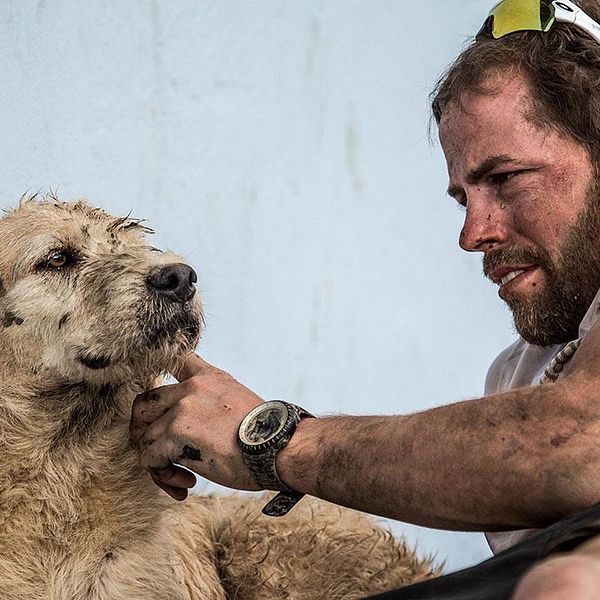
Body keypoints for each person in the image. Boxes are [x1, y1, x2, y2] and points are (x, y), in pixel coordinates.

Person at [129, 0, 600, 597]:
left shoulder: (562, 414)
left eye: (506, 178)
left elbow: (578, 445)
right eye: (462, 197)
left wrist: (272, 441)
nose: (472, 233)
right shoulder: (520, 374)